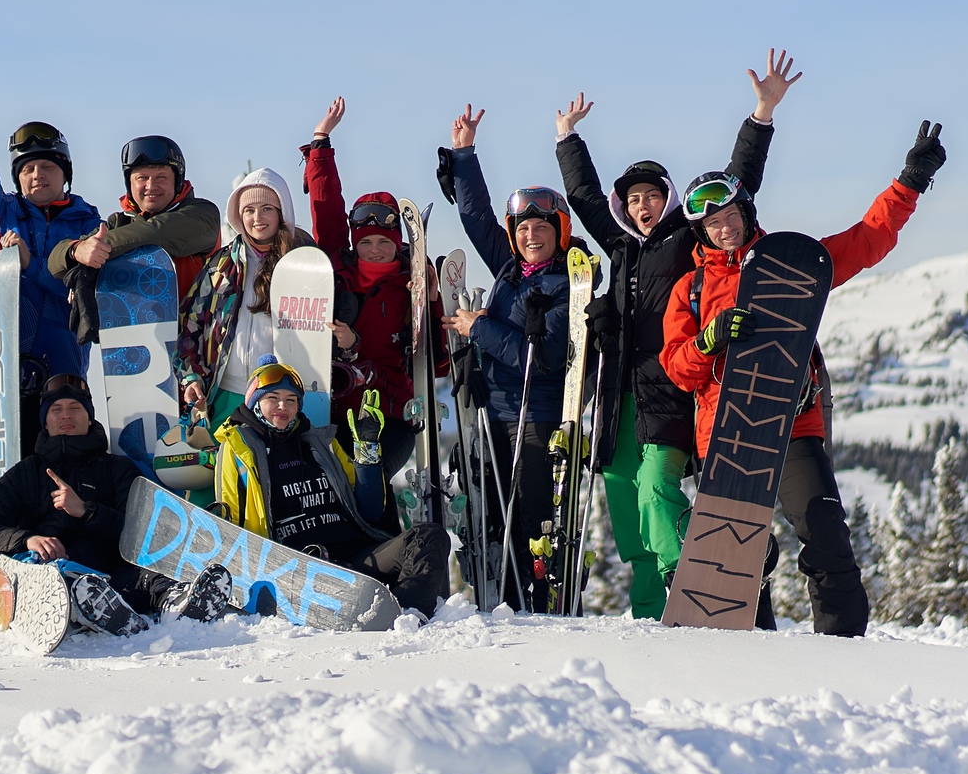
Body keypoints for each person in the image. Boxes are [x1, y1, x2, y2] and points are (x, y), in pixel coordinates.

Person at [660, 121, 949, 637]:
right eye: (711, 224)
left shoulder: (793, 263)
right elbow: (678, 368)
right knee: (736, 554)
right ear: (700, 233)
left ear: (746, 213)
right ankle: (748, 647)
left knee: (823, 531)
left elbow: (868, 241)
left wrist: (909, 182)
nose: (723, 228)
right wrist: (709, 339)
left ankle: (841, 644)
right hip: (726, 433)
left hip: (793, 422)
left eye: (729, 216)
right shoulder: (693, 287)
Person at [553, 51, 796, 619]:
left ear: (667, 200)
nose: (642, 207)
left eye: (652, 197)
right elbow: (585, 197)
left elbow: (737, 186)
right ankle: (645, 610)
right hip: (614, 394)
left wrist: (761, 113)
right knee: (629, 510)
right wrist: (568, 140)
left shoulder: (687, 238)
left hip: (670, 389)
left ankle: (684, 575)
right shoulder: (617, 246)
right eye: (634, 199)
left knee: (656, 490)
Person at [439, 106, 575, 609]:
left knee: (530, 521)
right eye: (522, 230)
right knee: (494, 519)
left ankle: (536, 607)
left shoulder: (566, 286)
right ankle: (502, 604)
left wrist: (480, 328)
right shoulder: (510, 271)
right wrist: (465, 153)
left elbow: (541, 358)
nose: (529, 237)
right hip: (493, 413)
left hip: (534, 416)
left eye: (540, 229)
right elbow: (476, 218)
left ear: (558, 232)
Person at [0, 56, 102, 449]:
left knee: (65, 462)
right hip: (4, 368)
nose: (37, 174)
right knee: (8, 477)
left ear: (65, 174)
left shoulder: (89, 225)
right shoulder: (2, 215)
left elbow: (79, 300)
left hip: (64, 366)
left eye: (48, 166)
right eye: (28, 168)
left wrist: (29, 266)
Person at [207, 359, 446, 617]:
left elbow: (370, 510)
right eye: (272, 398)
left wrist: (367, 453)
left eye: (291, 400)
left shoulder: (322, 443)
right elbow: (230, 519)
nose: (282, 406)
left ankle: (405, 615)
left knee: (429, 537)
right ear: (254, 403)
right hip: (299, 571)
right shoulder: (237, 448)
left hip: (357, 559)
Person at [0, 373, 156, 629]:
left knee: (154, 580)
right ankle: (89, 608)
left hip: (111, 576)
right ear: (45, 422)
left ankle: (178, 606)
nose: (65, 415)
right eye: (56, 409)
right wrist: (28, 540)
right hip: (46, 578)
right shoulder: (25, 473)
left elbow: (141, 536)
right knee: (53, 581)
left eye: (75, 408)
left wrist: (86, 511)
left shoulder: (118, 469)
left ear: (89, 418)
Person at [299, 98, 419, 441]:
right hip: (334, 411)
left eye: (384, 242)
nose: (375, 251)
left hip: (391, 412)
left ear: (398, 243)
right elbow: (327, 206)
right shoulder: (339, 268)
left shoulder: (411, 284)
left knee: (372, 485)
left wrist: (433, 298)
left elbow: (436, 360)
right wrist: (321, 142)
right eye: (366, 242)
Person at [177, 166, 326, 442]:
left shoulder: (304, 262)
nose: (257, 218)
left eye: (267, 208)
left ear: (282, 212)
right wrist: (191, 378)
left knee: (273, 476)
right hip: (227, 393)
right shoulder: (221, 265)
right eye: (249, 210)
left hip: (280, 399)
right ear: (238, 215)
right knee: (223, 475)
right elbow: (190, 326)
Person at [47, 134, 220, 316]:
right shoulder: (120, 223)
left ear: (177, 181)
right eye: (142, 178)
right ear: (129, 183)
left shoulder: (202, 214)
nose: (151, 186)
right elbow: (54, 261)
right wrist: (77, 251)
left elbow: (155, 232)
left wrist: (97, 252)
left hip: (196, 337)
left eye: (161, 177)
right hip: (134, 337)